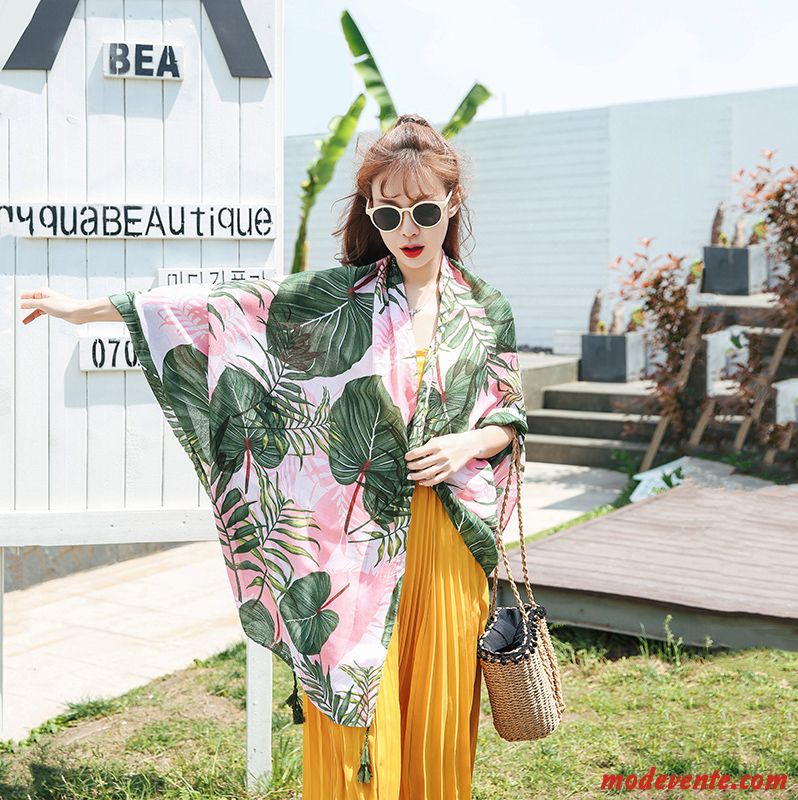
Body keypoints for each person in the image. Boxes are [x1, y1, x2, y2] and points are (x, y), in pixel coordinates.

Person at [19, 113, 525, 799]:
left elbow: (507, 412)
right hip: (355, 546)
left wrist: (468, 441)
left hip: (449, 542)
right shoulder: (337, 299)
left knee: (436, 717)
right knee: (352, 713)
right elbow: (214, 309)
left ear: (452, 206)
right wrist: (85, 311)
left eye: (425, 211)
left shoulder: (486, 307)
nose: (409, 229)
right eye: (390, 213)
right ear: (371, 213)